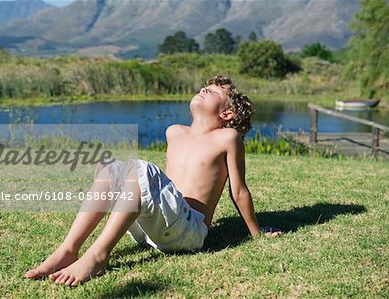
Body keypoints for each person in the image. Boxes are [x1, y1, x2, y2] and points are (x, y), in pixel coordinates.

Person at [25, 75, 281, 286]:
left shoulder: (227, 138)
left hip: (188, 230)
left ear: (227, 114)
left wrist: (256, 234)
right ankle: (68, 250)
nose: (204, 89)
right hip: (154, 227)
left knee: (140, 169)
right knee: (111, 168)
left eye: (213, 92)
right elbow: (158, 191)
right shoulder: (174, 132)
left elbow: (239, 191)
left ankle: (98, 256)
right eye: (204, 87)